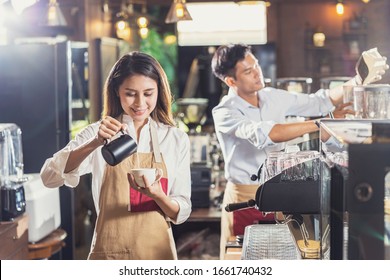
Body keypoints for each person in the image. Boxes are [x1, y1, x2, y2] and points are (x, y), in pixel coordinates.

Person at [210, 43, 388, 259]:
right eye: (248, 71)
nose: (257, 73)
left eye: (256, 65)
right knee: (245, 258)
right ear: (231, 81)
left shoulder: (272, 96)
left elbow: (320, 101)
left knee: (280, 256)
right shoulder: (224, 112)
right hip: (244, 197)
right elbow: (267, 134)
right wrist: (324, 123)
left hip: (282, 192)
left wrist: (358, 79)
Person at [40, 51, 192, 260]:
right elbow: (48, 177)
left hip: (158, 255)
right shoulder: (96, 132)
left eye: (148, 93)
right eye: (130, 93)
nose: (140, 103)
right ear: (117, 91)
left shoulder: (175, 139)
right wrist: (95, 142)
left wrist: (158, 195)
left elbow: (182, 211)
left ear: (159, 91)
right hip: (110, 254)